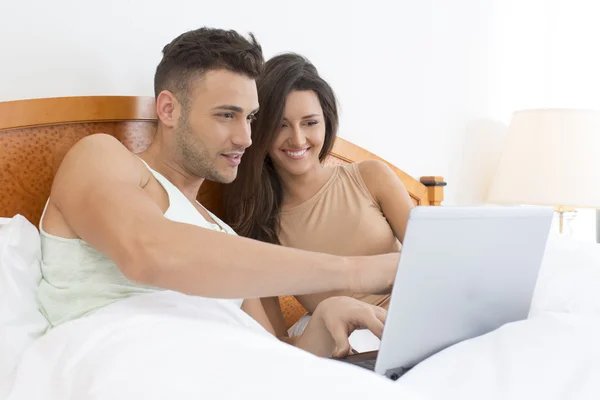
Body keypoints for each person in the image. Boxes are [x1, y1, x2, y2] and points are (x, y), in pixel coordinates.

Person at [36, 27, 400, 359]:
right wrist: (353, 272)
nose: (245, 138)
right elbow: (146, 252)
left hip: (229, 372)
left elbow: (275, 356)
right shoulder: (103, 156)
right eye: (226, 115)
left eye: (251, 118)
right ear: (168, 109)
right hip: (127, 361)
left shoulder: (223, 236)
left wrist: (325, 317)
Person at [222, 53, 415, 338]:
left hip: (414, 316)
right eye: (280, 124)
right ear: (260, 129)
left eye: (310, 123)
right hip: (350, 341)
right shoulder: (257, 228)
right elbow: (276, 342)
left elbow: (434, 262)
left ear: (327, 122)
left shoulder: (371, 177)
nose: (298, 139)